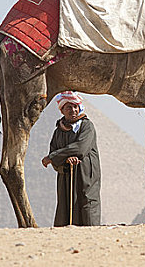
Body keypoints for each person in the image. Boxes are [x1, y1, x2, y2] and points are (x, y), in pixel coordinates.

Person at [41, 91, 101, 226]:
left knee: (87, 203)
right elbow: (54, 155)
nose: (73, 110)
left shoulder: (87, 126)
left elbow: (80, 148)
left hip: (86, 174)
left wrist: (53, 157)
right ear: (62, 110)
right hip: (66, 175)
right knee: (65, 206)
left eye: (75, 106)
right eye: (69, 107)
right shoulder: (58, 131)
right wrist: (65, 161)